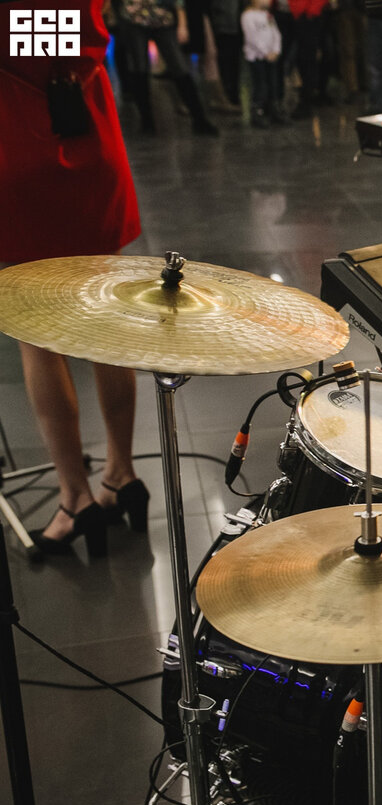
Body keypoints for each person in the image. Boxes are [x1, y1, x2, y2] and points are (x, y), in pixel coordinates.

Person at [1, 0, 149, 557]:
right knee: (107, 324)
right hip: (90, 140)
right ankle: (121, 473)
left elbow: (25, 42)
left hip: (18, 146)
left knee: (38, 338)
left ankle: (75, 497)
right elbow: (72, 35)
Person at [114, 0, 220, 135]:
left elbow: (178, 2)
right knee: (140, 70)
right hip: (135, 18)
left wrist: (182, 24)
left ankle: (199, 119)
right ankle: (147, 122)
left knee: (178, 67)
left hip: (161, 18)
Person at [243, 0, 286, 127]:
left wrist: (276, 50)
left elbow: (276, 33)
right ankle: (257, 112)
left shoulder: (268, 15)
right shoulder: (248, 16)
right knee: (260, 85)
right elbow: (252, 38)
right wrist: (265, 52)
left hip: (271, 57)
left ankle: (273, 110)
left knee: (272, 83)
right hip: (257, 57)